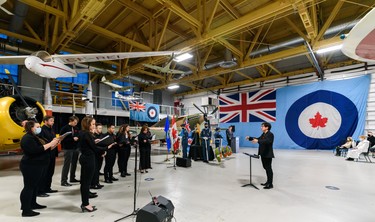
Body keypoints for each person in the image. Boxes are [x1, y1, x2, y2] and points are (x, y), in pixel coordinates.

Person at [19, 121, 59, 217]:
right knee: (29, 187)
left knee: (35, 186)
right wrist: (50, 144)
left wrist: (56, 143)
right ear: (31, 127)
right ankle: (26, 210)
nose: (39, 128)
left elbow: (46, 148)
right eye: (37, 127)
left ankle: (33, 204)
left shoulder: (36, 137)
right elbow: (36, 150)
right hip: (30, 165)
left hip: (38, 165)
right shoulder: (27, 138)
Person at [246, 122, 274, 189]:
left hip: (267, 154)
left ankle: (270, 184)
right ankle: (268, 182)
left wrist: (257, 141)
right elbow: (259, 139)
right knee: (266, 168)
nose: (261, 127)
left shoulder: (270, 134)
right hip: (263, 154)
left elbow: (267, 141)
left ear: (267, 127)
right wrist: (250, 138)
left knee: (268, 168)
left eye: (262, 126)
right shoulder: (263, 134)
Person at [78, 116, 98, 213]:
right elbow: (94, 148)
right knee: (86, 183)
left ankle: (85, 203)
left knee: (85, 182)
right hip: (88, 159)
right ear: (88, 124)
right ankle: (85, 204)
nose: (94, 126)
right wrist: (105, 149)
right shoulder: (87, 134)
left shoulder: (83, 133)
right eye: (93, 124)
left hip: (85, 157)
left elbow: (89, 144)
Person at [38, 115, 58, 197]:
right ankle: (40, 190)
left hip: (52, 153)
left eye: (53, 121)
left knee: (50, 172)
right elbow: (43, 143)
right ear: (45, 121)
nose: (52, 122)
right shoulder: (42, 130)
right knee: (44, 173)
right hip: (46, 154)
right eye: (51, 121)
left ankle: (47, 188)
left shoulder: (51, 130)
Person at [60, 116, 80, 186]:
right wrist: (72, 139)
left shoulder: (76, 128)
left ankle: (72, 177)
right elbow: (61, 138)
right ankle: (64, 181)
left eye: (76, 122)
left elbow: (78, 136)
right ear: (71, 121)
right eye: (74, 122)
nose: (76, 124)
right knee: (67, 164)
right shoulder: (65, 128)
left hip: (75, 148)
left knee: (74, 164)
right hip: (68, 148)